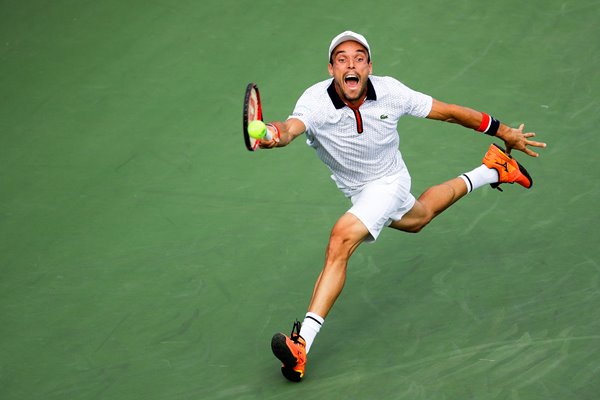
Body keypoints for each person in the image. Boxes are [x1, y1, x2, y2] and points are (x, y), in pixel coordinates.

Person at [255, 31, 546, 382]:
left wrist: (504, 131)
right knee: (417, 219)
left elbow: (450, 113)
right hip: (358, 189)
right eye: (342, 58)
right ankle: (493, 170)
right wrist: (270, 133)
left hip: (390, 180)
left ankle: (302, 345)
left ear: (369, 66)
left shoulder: (391, 92)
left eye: (359, 58)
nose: (351, 64)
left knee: (341, 240)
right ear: (331, 68)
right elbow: (289, 129)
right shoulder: (315, 101)